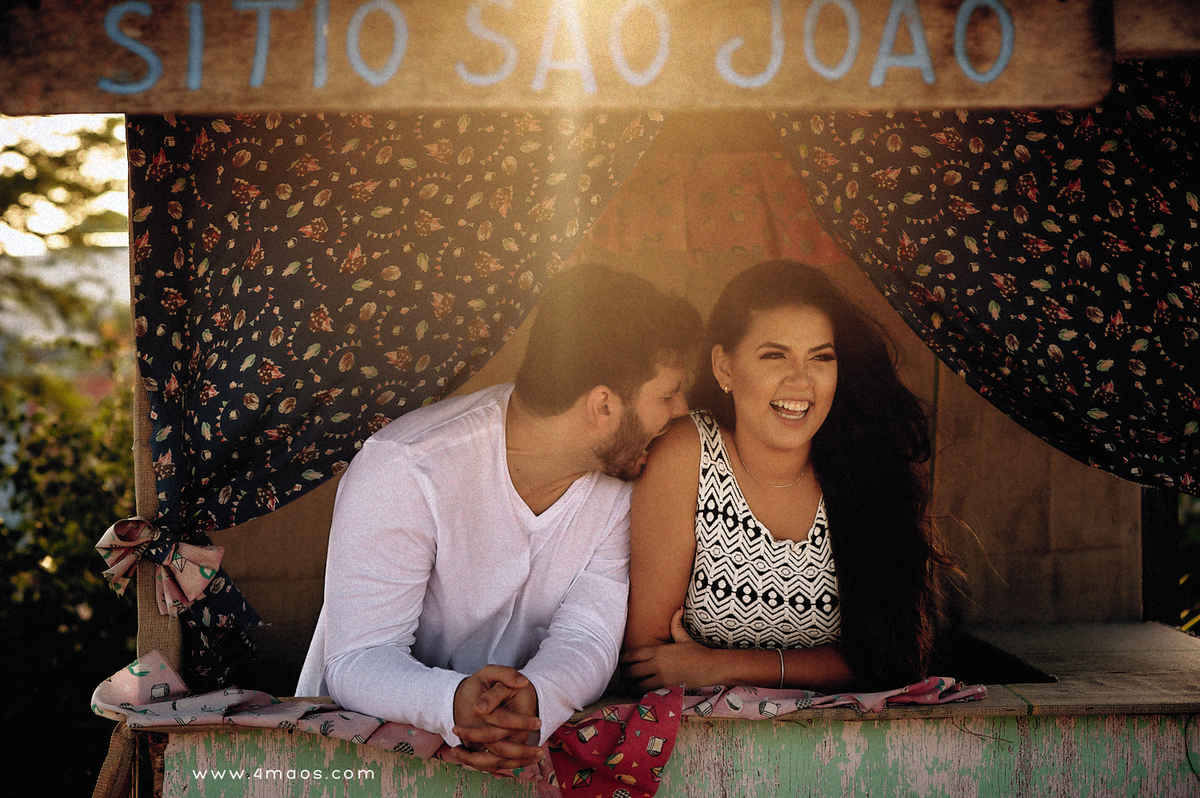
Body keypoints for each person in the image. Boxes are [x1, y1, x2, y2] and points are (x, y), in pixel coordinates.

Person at [296, 263, 702, 772]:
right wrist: (455, 704)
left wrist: (537, 697)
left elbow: (590, 634)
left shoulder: (625, 481)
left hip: (528, 754)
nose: (682, 410)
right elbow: (359, 657)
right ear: (603, 405)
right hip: (362, 766)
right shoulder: (405, 466)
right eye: (667, 395)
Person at [621, 260, 955, 695]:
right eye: (774, 355)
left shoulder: (867, 465)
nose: (800, 381)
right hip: (702, 743)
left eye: (820, 357)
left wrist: (719, 667)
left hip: (844, 741)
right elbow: (647, 659)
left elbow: (888, 656)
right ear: (724, 367)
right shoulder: (688, 454)